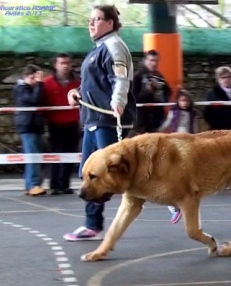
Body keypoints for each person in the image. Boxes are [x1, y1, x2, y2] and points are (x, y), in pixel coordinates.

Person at [63, 4, 136, 241]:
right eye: (90, 20)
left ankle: (168, 197)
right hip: (94, 120)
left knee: (114, 173)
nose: (91, 24)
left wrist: (117, 102)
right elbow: (94, 85)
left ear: (110, 23)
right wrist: (76, 92)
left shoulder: (113, 46)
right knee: (90, 172)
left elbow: (120, 78)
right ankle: (92, 224)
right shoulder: (98, 49)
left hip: (108, 119)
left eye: (96, 19)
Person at [158, 88, 199, 224]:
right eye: (182, 100)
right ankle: (175, 207)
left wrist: (197, 139)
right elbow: (167, 123)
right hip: (175, 142)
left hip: (188, 142)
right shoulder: (173, 112)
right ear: (178, 101)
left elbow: (195, 127)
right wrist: (158, 131)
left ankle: (181, 201)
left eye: (187, 101)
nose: (184, 103)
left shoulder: (193, 114)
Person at [43, 53, 81, 195]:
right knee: (56, 154)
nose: (65, 66)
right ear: (55, 65)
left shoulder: (77, 83)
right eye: (62, 63)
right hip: (55, 125)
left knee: (70, 154)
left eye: (67, 63)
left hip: (72, 124)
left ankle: (65, 184)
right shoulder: (47, 83)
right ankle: (54, 184)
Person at [13, 64, 47, 196]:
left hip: (36, 126)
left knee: (36, 156)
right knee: (32, 156)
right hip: (28, 126)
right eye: (33, 78)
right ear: (25, 77)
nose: (35, 81)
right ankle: (33, 184)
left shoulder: (32, 88)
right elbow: (34, 99)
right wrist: (39, 84)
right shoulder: (21, 89)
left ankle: (33, 183)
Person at [133, 50, 172, 134]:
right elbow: (134, 99)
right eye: (151, 60)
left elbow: (168, 92)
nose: (154, 63)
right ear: (145, 61)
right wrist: (147, 91)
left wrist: (162, 102)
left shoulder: (159, 76)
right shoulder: (138, 76)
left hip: (157, 118)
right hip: (142, 119)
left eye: (156, 61)